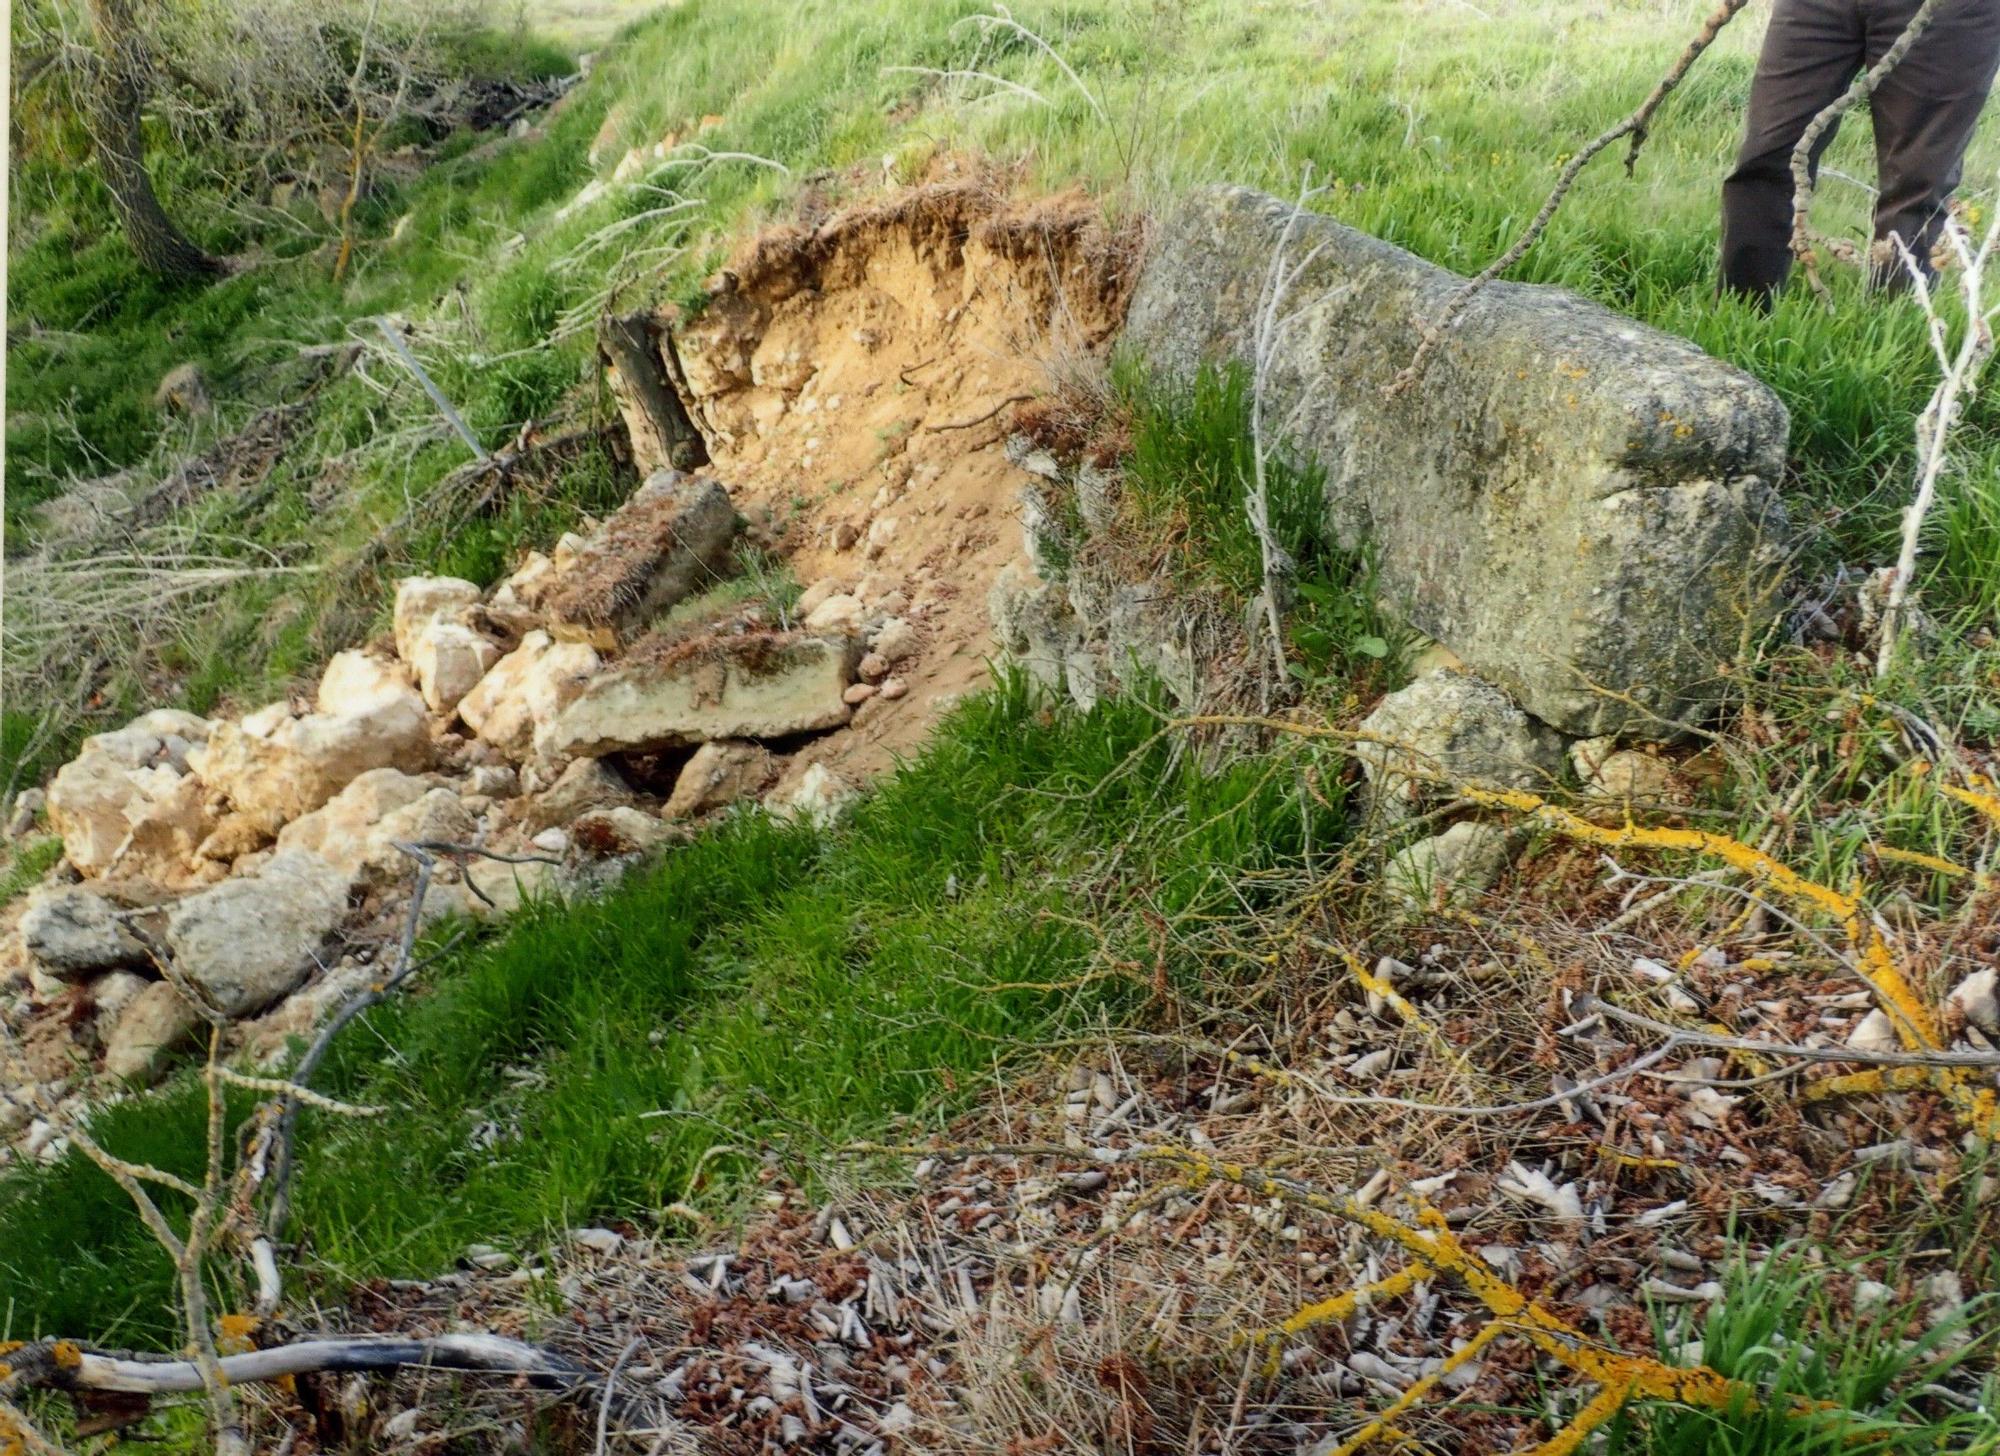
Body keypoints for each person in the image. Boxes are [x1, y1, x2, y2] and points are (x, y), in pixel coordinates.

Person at [1720, 0, 2000, 304]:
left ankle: (1888, 335)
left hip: (1946, 12)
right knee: (1766, 157)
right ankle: (1739, 313)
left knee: (1917, 184)